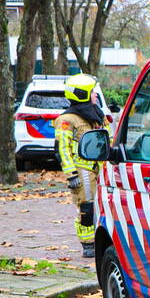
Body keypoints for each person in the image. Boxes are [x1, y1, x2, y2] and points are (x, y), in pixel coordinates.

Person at [53, 73, 111, 258]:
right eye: (92, 92)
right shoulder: (67, 120)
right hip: (82, 170)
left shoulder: (98, 114)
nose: (95, 95)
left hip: (102, 168)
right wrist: (72, 175)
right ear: (82, 94)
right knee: (87, 207)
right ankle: (88, 244)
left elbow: (108, 138)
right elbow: (62, 149)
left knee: (105, 206)